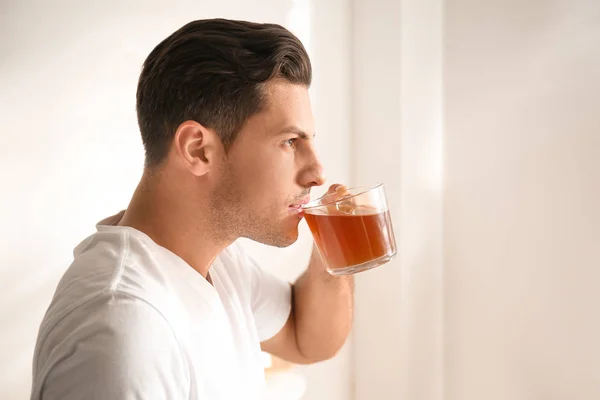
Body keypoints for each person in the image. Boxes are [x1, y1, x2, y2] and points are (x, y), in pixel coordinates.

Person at [30, 18, 353, 400]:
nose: (318, 172)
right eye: (289, 142)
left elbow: (306, 338)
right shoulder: (123, 332)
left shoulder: (216, 262)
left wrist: (336, 250)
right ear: (198, 149)